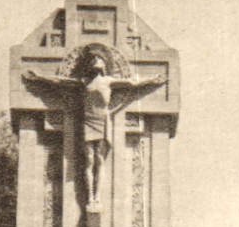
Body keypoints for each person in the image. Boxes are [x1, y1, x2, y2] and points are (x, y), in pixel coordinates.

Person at [23, 50, 166, 211]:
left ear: (105, 65)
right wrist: (39, 77)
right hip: (88, 121)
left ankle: (98, 197)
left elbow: (132, 83)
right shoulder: (84, 82)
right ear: (89, 65)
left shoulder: (109, 81)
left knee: (99, 159)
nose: (97, 60)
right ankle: (90, 196)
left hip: (103, 120)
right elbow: (60, 81)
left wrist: (153, 79)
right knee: (89, 160)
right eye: (94, 59)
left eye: (100, 58)